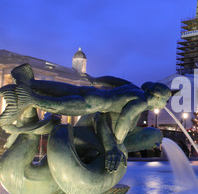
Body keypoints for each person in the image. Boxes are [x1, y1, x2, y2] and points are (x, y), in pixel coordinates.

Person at [0, 63, 171, 171]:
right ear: (157, 98)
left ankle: (30, 83)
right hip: (96, 105)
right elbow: (126, 118)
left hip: (93, 93)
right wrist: (116, 144)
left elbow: (114, 80)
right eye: (166, 100)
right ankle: (30, 98)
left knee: (67, 90)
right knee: (60, 105)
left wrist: (96, 79)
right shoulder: (141, 101)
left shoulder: (135, 88)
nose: (165, 104)